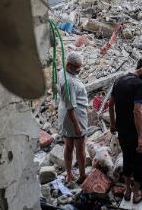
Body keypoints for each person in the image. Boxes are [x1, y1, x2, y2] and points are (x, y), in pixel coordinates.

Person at [109, 57, 142, 204]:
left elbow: (111, 105)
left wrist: (112, 124)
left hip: (122, 129)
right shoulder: (139, 84)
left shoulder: (119, 80)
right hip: (135, 131)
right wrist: (141, 137)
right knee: (139, 161)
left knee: (127, 158)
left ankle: (127, 191)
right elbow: (137, 112)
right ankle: (136, 194)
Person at [57, 52, 88, 185]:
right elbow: (71, 107)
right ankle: (82, 175)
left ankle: (69, 175)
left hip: (66, 114)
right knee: (80, 148)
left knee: (68, 145)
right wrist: (77, 126)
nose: (79, 69)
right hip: (75, 116)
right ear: (69, 65)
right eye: (77, 67)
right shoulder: (69, 82)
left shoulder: (63, 72)